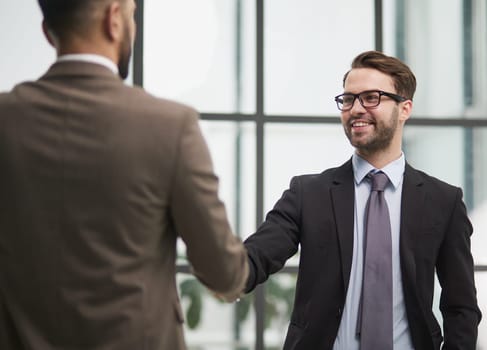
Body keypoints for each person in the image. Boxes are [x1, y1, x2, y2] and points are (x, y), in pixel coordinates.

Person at [0, 1, 248, 349]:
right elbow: (224, 273)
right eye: (133, 14)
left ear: (47, 32)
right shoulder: (171, 127)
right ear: (114, 19)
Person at [243, 50, 482, 349]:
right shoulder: (308, 194)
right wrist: (223, 267)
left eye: (371, 98)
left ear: (404, 108)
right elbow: (256, 256)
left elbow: (461, 307)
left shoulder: (443, 202)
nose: (356, 108)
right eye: (348, 99)